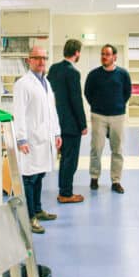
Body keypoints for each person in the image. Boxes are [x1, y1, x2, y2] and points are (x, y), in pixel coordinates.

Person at [13, 46, 62, 234]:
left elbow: (52, 111)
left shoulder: (46, 83)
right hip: (31, 140)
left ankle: (38, 209)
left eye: (44, 58)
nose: (41, 61)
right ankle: (30, 216)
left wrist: (56, 133)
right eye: (37, 58)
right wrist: (21, 138)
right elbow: (19, 113)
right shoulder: (23, 84)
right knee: (30, 178)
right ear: (29, 60)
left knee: (40, 174)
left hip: (45, 138)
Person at [84, 44, 131, 194]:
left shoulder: (123, 74)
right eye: (102, 54)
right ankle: (94, 177)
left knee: (117, 150)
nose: (104, 57)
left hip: (117, 115)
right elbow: (87, 93)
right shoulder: (93, 75)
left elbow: (127, 93)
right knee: (96, 149)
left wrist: (117, 105)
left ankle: (116, 181)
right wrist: (97, 106)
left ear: (114, 57)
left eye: (107, 54)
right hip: (98, 116)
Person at [47, 39, 87, 204]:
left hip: (56, 121)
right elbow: (76, 101)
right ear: (77, 52)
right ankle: (66, 193)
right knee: (70, 160)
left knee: (64, 158)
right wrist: (83, 124)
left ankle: (64, 190)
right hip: (71, 125)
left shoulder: (54, 69)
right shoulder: (73, 73)